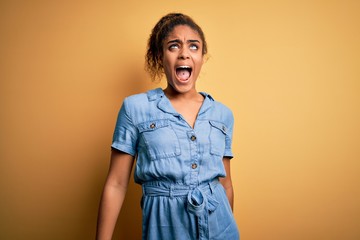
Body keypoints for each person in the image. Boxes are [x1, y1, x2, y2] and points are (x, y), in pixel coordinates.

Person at [96, 13, 240, 240]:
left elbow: (226, 185)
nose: (184, 53)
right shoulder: (135, 108)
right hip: (165, 227)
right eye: (174, 46)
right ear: (159, 56)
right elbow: (116, 184)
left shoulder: (223, 114)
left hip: (220, 226)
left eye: (194, 47)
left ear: (202, 57)